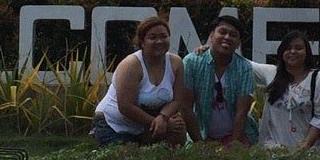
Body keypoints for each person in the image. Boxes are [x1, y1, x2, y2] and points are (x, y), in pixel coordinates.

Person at [91, 15, 186, 147]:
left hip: (147, 123)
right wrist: (157, 123)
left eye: (164, 36)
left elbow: (177, 100)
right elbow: (125, 106)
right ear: (142, 42)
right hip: (115, 124)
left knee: (178, 125)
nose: (159, 41)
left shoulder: (176, 63)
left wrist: (163, 117)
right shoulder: (131, 65)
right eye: (152, 37)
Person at [179, 15, 260, 146]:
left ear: (239, 43)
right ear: (211, 36)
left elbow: (242, 112)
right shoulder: (192, 62)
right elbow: (185, 107)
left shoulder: (244, 68)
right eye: (222, 32)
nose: (227, 37)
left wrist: (233, 147)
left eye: (233, 35)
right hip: (201, 135)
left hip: (237, 136)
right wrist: (200, 144)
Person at [258, 30, 320, 151]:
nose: (293, 51)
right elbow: (242, 63)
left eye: (298, 48)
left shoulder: (318, 78)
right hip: (274, 153)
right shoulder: (271, 73)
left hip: (308, 155)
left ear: (307, 52)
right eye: (288, 48)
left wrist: (305, 145)